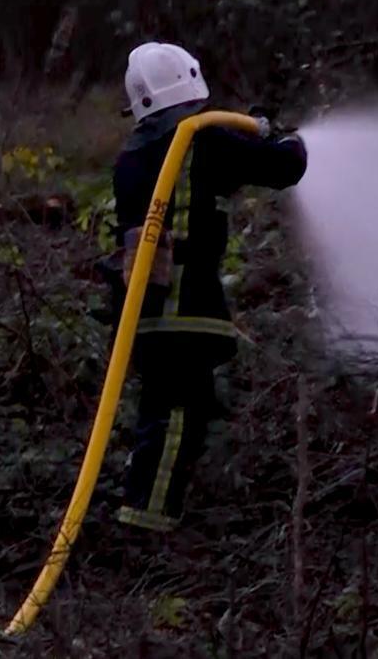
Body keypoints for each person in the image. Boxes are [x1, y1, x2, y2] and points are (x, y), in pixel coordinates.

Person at [103, 41, 307, 532]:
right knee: (178, 414)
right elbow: (283, 167)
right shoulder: (202, 140)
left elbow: (202, 186)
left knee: (164, 409)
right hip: (183, 306)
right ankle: (147, 521)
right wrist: (290, 139)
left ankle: (147, 506)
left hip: (144, 312)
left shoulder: (134, 155)